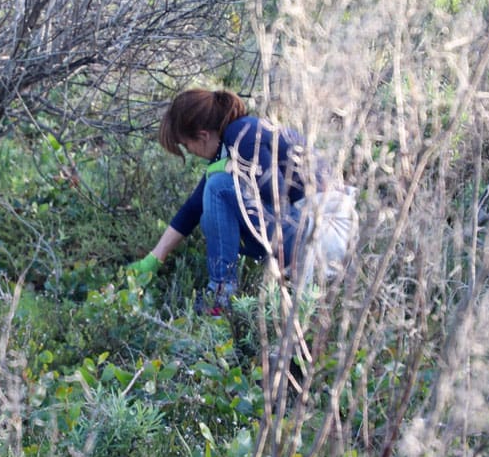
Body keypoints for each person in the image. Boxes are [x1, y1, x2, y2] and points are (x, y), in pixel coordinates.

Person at [128, 88, 355, 313]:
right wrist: (153, 261)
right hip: (307, 230)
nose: (190, 152)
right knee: (212, 201)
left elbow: (275, 192)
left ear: (203, 135)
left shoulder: (242, 132)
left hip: (323, 234)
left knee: (217, 187)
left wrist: (230, 168)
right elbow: (192, 209)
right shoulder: (233, 142)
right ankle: (247, 288)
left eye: (186, 145)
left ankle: (220, 295)